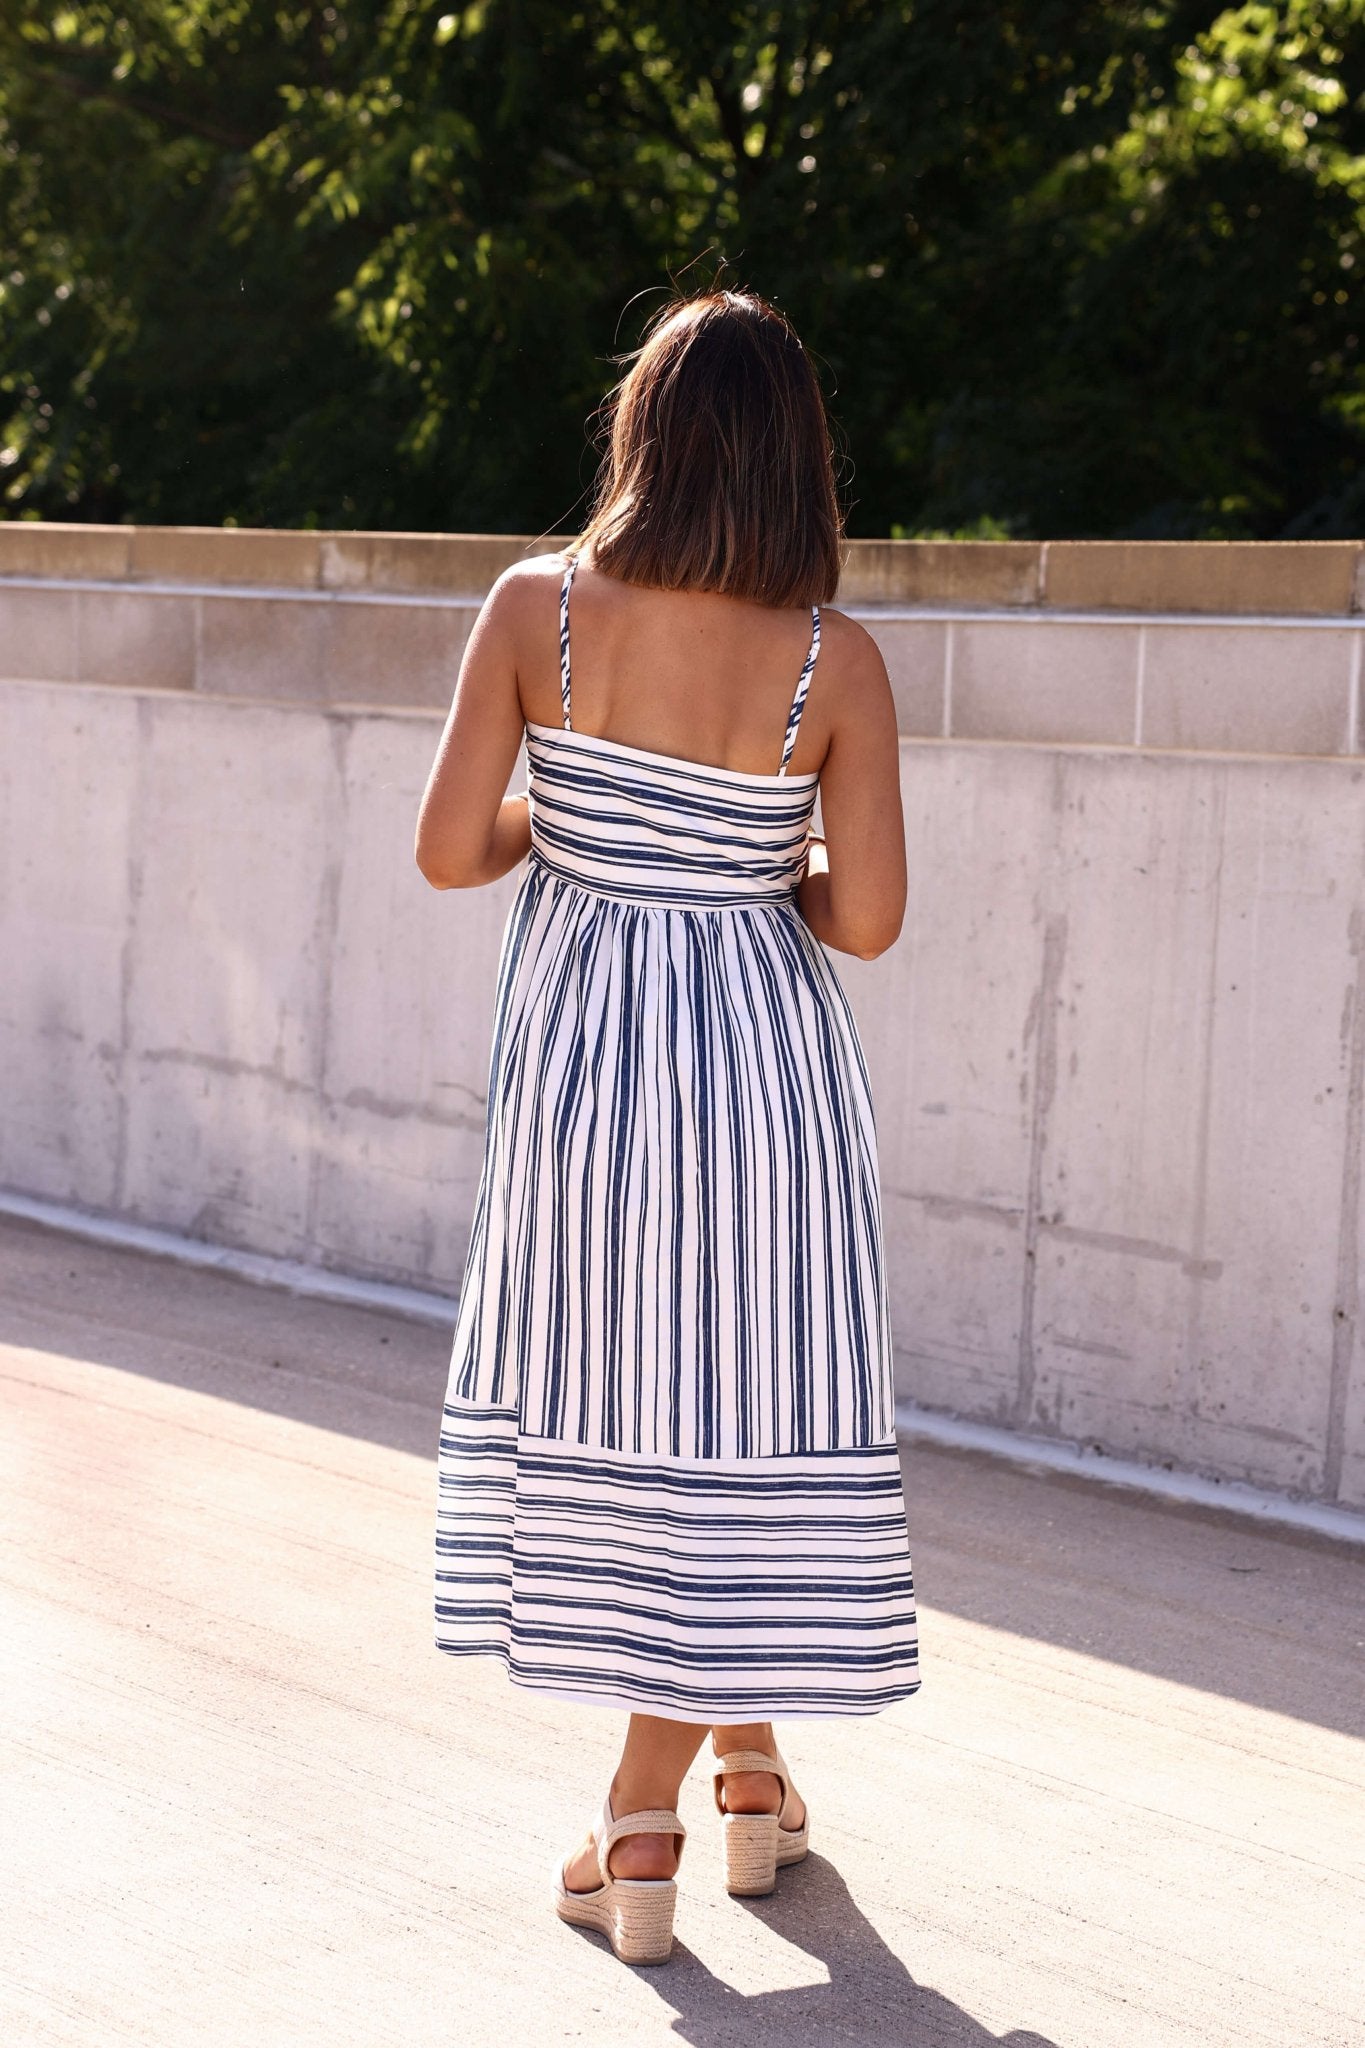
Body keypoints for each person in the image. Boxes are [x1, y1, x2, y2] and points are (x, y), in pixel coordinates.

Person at [414, 286, 920, 1966]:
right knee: (739, 1425)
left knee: (633, 1418)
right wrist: (749, 859)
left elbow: (447, 852)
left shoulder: (532, 610)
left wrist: (573, 818)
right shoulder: (829, 656)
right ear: (798, 457)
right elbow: (867, 925)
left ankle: (732, 1786)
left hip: (581, 1081)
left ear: (641, 431)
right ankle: (669, 1809)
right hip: (763, 1087)